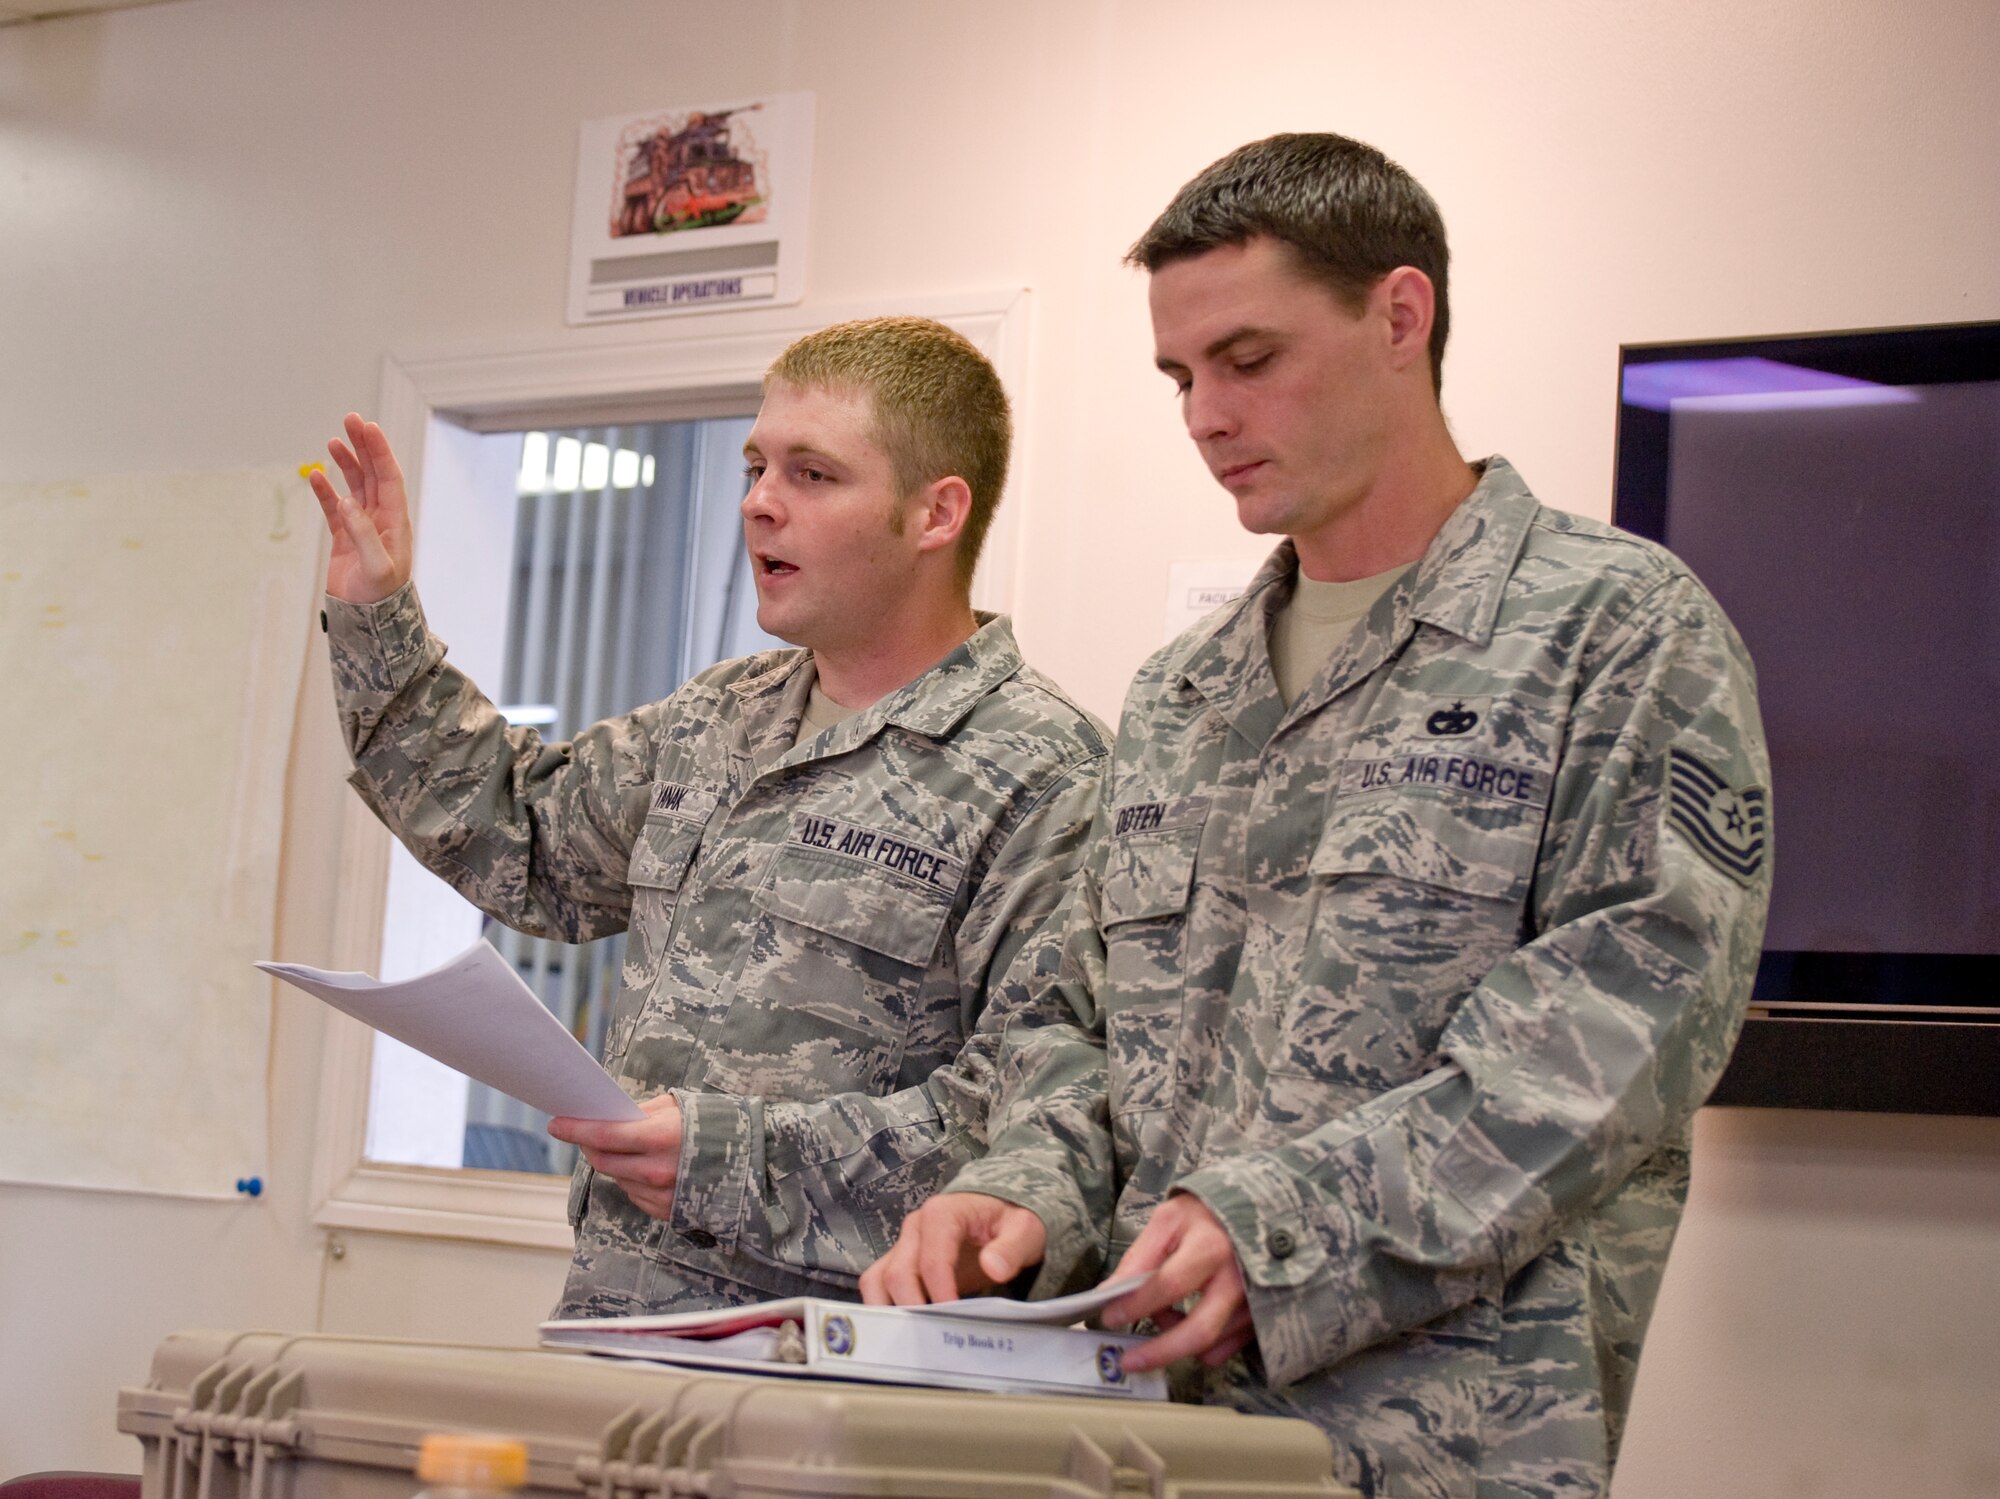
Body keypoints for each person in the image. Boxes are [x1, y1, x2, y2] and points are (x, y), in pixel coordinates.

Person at [862, 135, 1773, 1499]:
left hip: (1435, 1445)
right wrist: (1019, 1188)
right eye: (1180, 376)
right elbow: (1081, 1020)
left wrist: (1279, 1224)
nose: (1204, 415)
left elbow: (1620, 1031)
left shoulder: (1616, 632)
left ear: (1399, 316)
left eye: (1247, 359)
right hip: (1144, 1434)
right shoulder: (1183, 690)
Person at [309, 316, 1108, 1317]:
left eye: (811, 474)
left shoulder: (1047, 774)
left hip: (832, 1361)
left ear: (935, 512)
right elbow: (520, 832)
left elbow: (1039, 1121)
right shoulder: (721, 715)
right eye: (754, 466)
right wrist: (379, 617)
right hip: (618, 1322)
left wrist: (725, 1157)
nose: (759, 502)